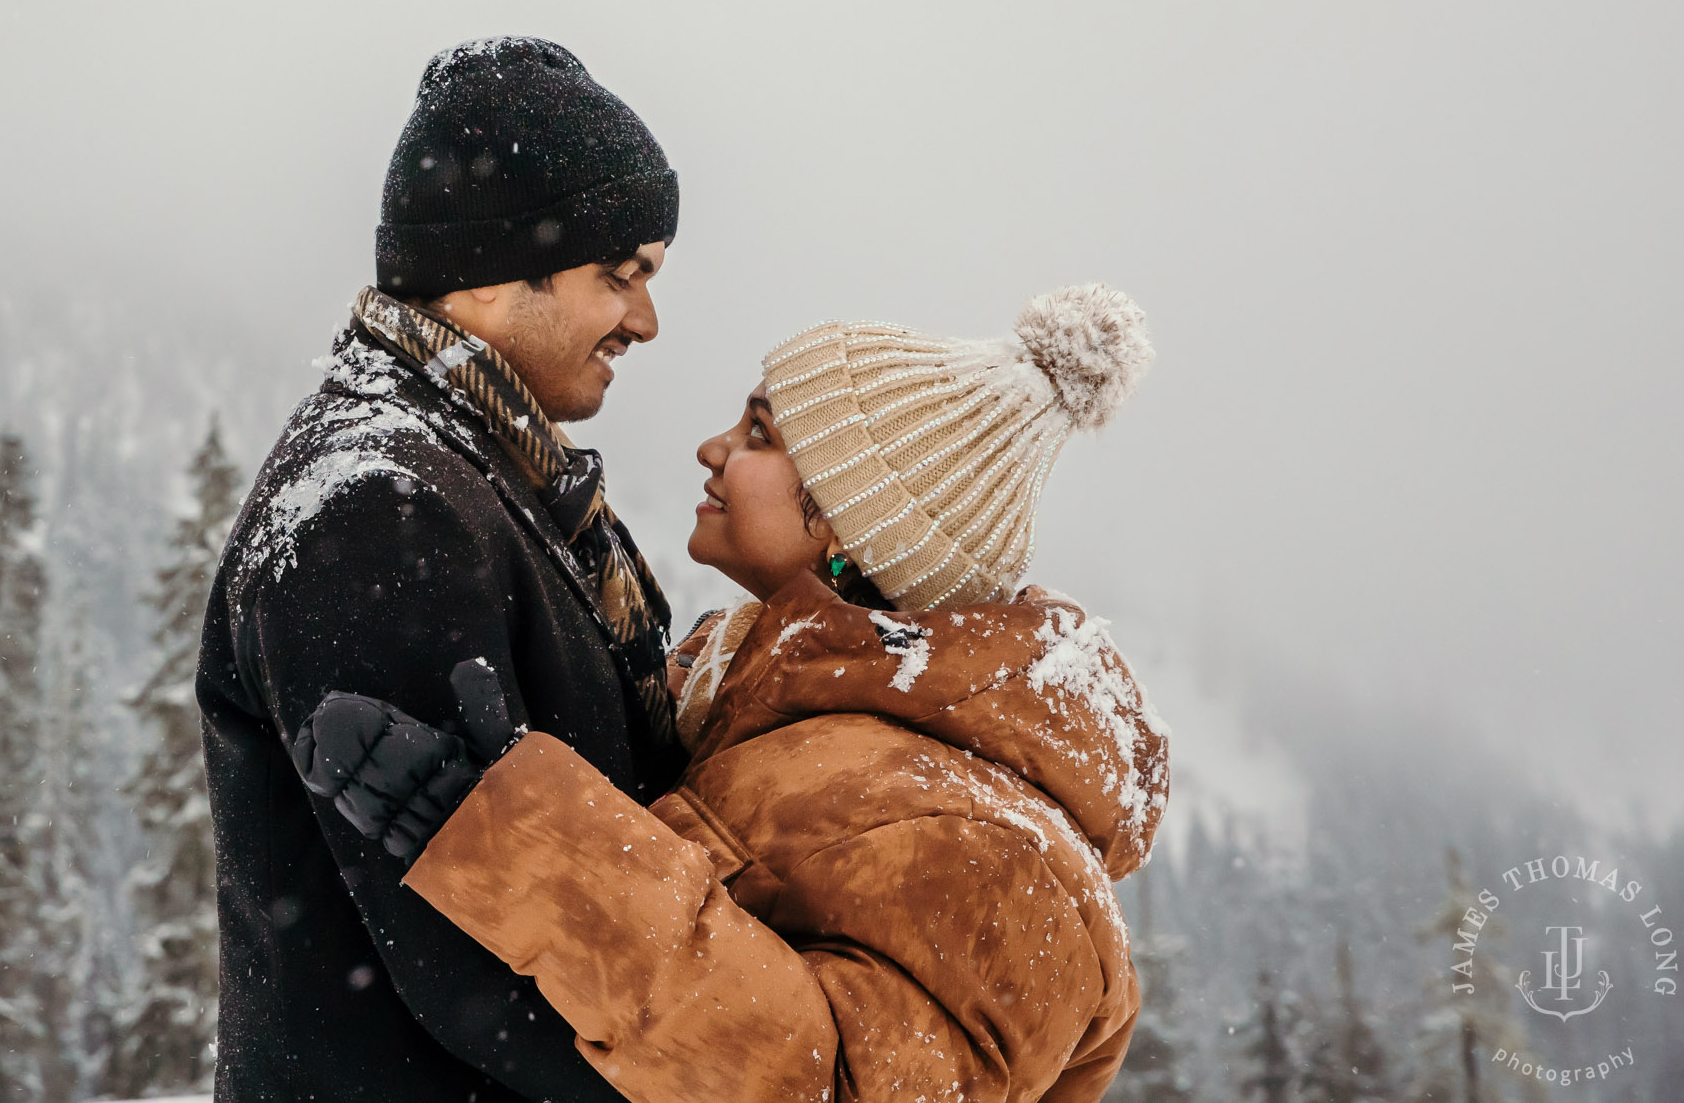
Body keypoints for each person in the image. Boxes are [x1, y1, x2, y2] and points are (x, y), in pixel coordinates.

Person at [294, 285, 1172, 1103]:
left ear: (841, 519)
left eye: (759, 434)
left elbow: (820, 1082)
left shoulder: (1004, 857)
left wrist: (538, 855)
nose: (713, 448)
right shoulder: (750, 695)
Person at [199, 36, 687, 1103]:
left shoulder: (489, 478)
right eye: (622, 273)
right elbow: (481, 963)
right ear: (497, 266)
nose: (645, 320)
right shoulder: (379, 508)